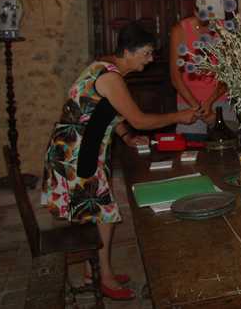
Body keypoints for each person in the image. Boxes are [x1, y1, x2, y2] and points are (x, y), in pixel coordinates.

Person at [42, 22, 200, 300]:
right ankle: (105, 278)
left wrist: (126, 137)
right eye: (146, 53)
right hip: (78, 153)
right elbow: (139, 119)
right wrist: (179, 116)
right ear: (127, 52)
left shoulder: (105, 67)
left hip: (78, 148)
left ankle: (94, 271)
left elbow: (106, 112)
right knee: (104, 214)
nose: (150, 59)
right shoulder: (111, 78)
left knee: (100, 214)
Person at [169, 0, 232, 135]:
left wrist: (209, 103)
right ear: (195, 12)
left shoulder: (225, 30)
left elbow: (228, 75)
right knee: (190, 146)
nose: (212, 23)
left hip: (220, 101)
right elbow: (176, 78)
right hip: (188, 103)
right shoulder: (180, 31)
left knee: (228, 145)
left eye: (214, 19)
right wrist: (199, 108)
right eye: (207, 19)